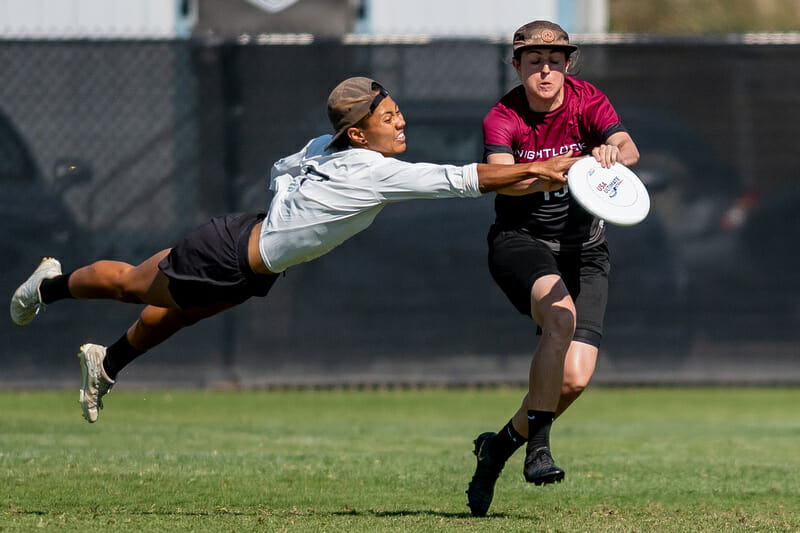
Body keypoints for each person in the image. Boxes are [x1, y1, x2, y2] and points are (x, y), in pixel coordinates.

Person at [10, 76, 578, 424]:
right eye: (388, 117)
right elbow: (465, 179)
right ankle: (49, 285)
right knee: (131, 284)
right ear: (358, 134)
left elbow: (282, 168)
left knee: (178, 315)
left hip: (247, 257)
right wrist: (545, 167)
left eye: (395, 109)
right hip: (229, 252)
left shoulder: (325, 146)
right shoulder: (375, 171)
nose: (400, 120)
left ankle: (104, 363)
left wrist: (547, 175)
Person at [465, 21, 640, 516]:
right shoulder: (503, 116)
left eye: (555, 60)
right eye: (534, 60)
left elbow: (629, 150)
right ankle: (538, 450)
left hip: (585, 246)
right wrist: (540, 174)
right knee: (559, 319)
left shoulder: (588, 100)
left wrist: (606, 152)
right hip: (522, 243)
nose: (545, 70)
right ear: (516, 65)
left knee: (575, 379)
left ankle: (496, 448)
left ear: (568, 64)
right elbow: (499, 179)